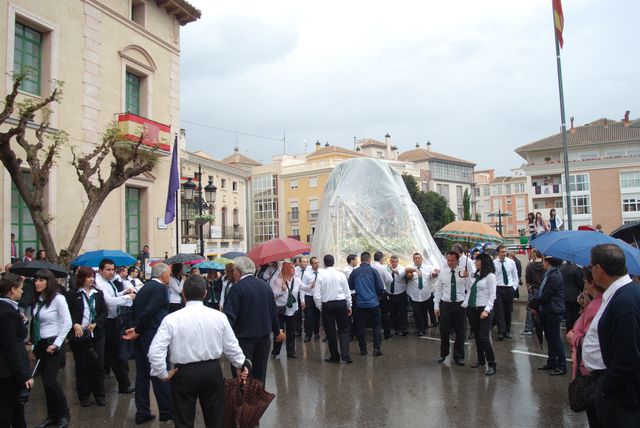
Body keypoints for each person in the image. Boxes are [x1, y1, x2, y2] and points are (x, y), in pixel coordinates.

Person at [148, 275, 249, 428]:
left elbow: (155, 351)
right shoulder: (219, 317)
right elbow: (231, 346)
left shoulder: (171, 319)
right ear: (205, 293)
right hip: (212, 370)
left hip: (184, 372)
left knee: (183, 420)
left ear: (183, 294)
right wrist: (241, 364)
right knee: (215, 419)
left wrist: (162, 373)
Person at [582, 244, 640, 427]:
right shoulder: (619, 294)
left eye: (591, 267)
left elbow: (627, 359)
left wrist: (604, 390)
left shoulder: (624, 301)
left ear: (599, 270)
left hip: (620, 397)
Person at [122, 263, 173, 425]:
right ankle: (166, 411)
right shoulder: (160, 289)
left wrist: (134, 328)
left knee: (142, 375)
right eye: (169, 274)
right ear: (163, 275)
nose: (170, 277)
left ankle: (142, 411)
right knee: (159, 371)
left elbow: (133, 309)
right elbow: (150, 311)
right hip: (151, 334)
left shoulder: (144, 288)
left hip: (141, 335)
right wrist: (137, 329)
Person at [223, 257, 284, 386]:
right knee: (259, 376)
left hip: (243, 340)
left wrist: (224, 340)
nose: (233, 273)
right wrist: (277, 331)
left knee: (242, 376)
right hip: (264, 339)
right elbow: (273, 313)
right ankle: (257, 402)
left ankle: (243, 403)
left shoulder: (237, 288)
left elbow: (229, 318)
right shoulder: (265, 286)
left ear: (238, 272)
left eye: (234, 271)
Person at [32, 269, 72, 428]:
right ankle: (51, 415)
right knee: (45, 383)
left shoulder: (58, 299)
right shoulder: (39, 299)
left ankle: (64, 414)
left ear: (49, 282)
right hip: (41, 344)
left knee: (50, 381)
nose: (37, 283)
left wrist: (56, 343)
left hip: (53, 344)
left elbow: (67, 322)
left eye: (41, 280)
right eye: (35, 280)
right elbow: (37, 324)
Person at [66, 266, 107, 407]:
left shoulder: (98, 293)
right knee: (82, 366)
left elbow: (103, 312)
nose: (91, 279)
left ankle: (99, 395)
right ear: (81, 278)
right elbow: (67, 314)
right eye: (88, 277)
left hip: (96, 334)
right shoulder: (73, 294)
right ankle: (84, 396)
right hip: (80, 334)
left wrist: (96, 324)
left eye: (92, 276)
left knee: (98, 364)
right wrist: (74, 324)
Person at [94, 258, 135, 394]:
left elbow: (113, 295)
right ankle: (123, 384)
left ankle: (123, 383)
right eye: (108, 270)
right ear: (101, 270)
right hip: (107, 322)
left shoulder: (107, 282)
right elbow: (109, 301)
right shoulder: (99, 283)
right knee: (115, 354)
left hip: (115, 319)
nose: (111, 272)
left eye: (113, 269)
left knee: (116, 352)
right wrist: (128, 298)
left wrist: (123, 293)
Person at [0, 274, 33, 428]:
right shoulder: (7, 313)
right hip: (7, 372)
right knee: (9, 412)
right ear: (12, 290)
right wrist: (24, 374)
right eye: (20, 288)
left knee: (16, 411)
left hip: (8, 371)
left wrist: (22, 321)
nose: (22, 292)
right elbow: (11, 346)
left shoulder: (9, 310)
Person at [462, 253, 497, 376]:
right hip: (474, 308)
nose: (475, 263)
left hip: (484, 309)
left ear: (484, 262)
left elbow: (493, 295)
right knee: (477, 336)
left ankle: (492, 363)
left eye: (477, 261)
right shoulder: (478, 276)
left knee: (484, 337)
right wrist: (466, 276)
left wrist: (486, 310)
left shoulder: (490, 276)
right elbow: (471, 288)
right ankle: (481, 360)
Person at [566, 266, 603, 381]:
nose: (584, 284)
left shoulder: (596, 306)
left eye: (585, 281)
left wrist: (572, 336)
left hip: (585, 369)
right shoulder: (598, 302)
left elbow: (587, 338)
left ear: (592, 283)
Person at [531, 256, 567, 376]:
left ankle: (562, 365)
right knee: (550, 338)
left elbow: (547, 294)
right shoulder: (549, 274)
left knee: (555, 339)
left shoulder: (555, 275)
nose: (543, 263)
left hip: (553, 310)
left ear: (548, 262)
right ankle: (551, 362)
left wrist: (536, 301)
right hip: (548, 310)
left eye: (544, 261)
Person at [314, 254, 352, 363]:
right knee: (344, 330)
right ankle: (346, 356)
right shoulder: (341, 275)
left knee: (330, 332)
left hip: (327, 305)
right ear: (333, 262)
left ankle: (334, 356)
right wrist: (349, 305)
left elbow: (317, 295)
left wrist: (321, 307)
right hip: (341, 303)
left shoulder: (321, 276)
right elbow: (347, 292)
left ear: (324, 263)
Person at [434, 251, 469, 366]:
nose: (449, 262)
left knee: (460, 332)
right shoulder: (443, 273)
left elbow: (470, 289)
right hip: (446, 305)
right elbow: (438, 290)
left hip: (460, 305)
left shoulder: (463, 272)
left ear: (457, 260)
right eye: (448, 260)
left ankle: (458, 356)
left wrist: (465, 303)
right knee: (444, 331)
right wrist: (436, 306)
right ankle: (443, 354)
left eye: (452, 260)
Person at [348, 252, 384, 356]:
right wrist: (378, 296)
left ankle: (363, 349)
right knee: (376, 326)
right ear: (369, 260)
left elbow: (350, 286)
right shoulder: (374, 271)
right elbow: (381, 287)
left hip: (360, 304)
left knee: (360, 326)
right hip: (373, 303)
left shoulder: (355, 272)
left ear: (361, 260)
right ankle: (376, 349)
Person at [270, 260, 303, 359]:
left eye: (293, 268)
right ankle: (276, 351)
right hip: (280, 309)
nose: (293, 270)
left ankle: (291, 352)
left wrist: (311, 286)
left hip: (292, 309)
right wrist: (282, 290)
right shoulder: (278, 280)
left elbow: (304, 288)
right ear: (286, 270)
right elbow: (273, 294)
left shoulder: (296, 280)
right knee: (279, 331)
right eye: (290, 268)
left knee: (291, 331)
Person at [405, 252, 439, 336]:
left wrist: (435, 274)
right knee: (417, 313)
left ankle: (425, 328)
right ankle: (420, 329)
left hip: (426, 295)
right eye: (415, 258)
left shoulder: (428, 267)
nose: (417, 259)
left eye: (418, 258)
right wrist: (415, 270)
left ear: (422, 259)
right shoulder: (410, 268)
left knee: (424, 312)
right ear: (413, 260)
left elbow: (433, 274)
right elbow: (406, 271)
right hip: (414, 296)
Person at [493, 245, 519, 340]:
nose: (504, 253)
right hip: (498, 288)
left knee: (508, 310)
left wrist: (514, 288)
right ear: (498, 253)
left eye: (505, 251)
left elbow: (515, 276)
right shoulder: (494, 263)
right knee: (499, 311)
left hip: (509, 288)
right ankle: (501, 331)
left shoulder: (511, 262)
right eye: (502, 252)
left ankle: (507, 330)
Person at [522, 250, 545, 335]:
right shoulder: (544, 265)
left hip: (532, 289)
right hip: (542, 289)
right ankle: (541, 328)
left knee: (530, 309)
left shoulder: (530, 266)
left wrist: (529, 289)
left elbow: (527, 279)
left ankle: (528, 328)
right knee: (541, 309)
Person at [372, 251, 393, 340]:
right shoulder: (382, 268)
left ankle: (375, 333)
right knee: (384, 313)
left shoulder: (371, 266)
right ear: (381, 258)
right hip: (382, 292)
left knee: (374, 313)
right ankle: (387, 334)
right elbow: (390, 279)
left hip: (372, 292)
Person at [300, 256, 322, 342]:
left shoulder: (321, 273)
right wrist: (302, 300)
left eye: (318, 262)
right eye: (315, 263)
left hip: (318, 297)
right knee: (309, 316)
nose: (317, 264)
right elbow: (302, 288)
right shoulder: (306, 274)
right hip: (309, 297)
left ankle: (316, 332)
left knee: (317, 315)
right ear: (311, 264)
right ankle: (308, 334)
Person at [386, 256, 409, 336]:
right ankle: (396, 328)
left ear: (398, 262)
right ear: (390, 261)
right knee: (393, 313)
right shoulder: (386, 269)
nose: (394, 263)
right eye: (392, 261)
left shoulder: (402, 268)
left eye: (395, 262)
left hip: (401, 294)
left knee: (402, 312)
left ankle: (404, 328)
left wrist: (395, 271)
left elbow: (401, 274)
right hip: (390, 294)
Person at [560, 261, 584, 331]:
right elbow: (580, 283)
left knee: (568, 315)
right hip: (575, 295)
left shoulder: (561, 269)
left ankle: (568, 330)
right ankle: (574, 330)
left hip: (564, 296)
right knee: (575, 315)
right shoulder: (577, 269)